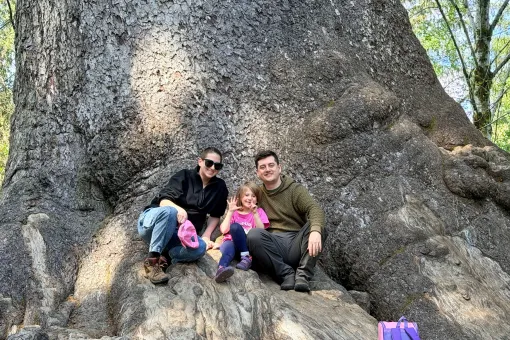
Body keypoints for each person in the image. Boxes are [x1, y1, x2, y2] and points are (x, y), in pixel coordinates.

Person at [137, 147, 228, 284]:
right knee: (170, 211)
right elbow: (164, 200)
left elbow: (216, 215)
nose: (213, 167)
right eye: (209, 163)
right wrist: (178, 209)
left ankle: (168, 256)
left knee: (201, 247)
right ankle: (153, 261)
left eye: (218, 165)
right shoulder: (184, 176)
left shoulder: (220, 188)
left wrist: (206, 235)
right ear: (200, 161)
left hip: (179, 235)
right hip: (153, 223)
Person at [247, 150, 326, 292]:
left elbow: (314, 209)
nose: (267, 169)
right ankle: (285, 274)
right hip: (272, 244)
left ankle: (303, 275)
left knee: (318, 227)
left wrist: (315, 231)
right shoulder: (257, 194)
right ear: (257, 172)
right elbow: (242, 213)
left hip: (296, 242)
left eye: (271, 165)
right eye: (263, 167)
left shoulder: (294, 190)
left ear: (279, 167)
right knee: (253, 235)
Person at [214, 182, 270, 283]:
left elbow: (261, 231)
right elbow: (223, 230)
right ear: (240, 197)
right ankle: (221, 269)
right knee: (228, 247)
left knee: (236, 228)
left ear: (257, 199)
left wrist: (255, 214)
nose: (250, 198)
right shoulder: (235, 213)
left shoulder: (259, 212)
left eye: (253, 196)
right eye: (247, 195)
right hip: (232, 244)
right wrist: (230, 212)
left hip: (248, 246)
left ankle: (246, 257)